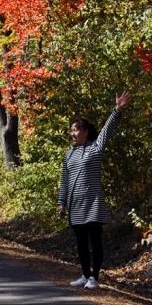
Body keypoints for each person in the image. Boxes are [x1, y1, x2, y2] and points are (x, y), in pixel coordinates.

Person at [58, 93, 130, 290]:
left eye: (77, 130)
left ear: (86, 131)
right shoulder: (69, 154)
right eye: (71, 130)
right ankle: (85, 274)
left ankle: (94, 278)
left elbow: (107, 131)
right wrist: (61, 202)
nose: (73, 133)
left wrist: (117, 110)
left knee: (94, 240)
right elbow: (64, 180)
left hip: (93, 203)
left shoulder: (95, 148)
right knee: (81, 243)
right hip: (75, 204)